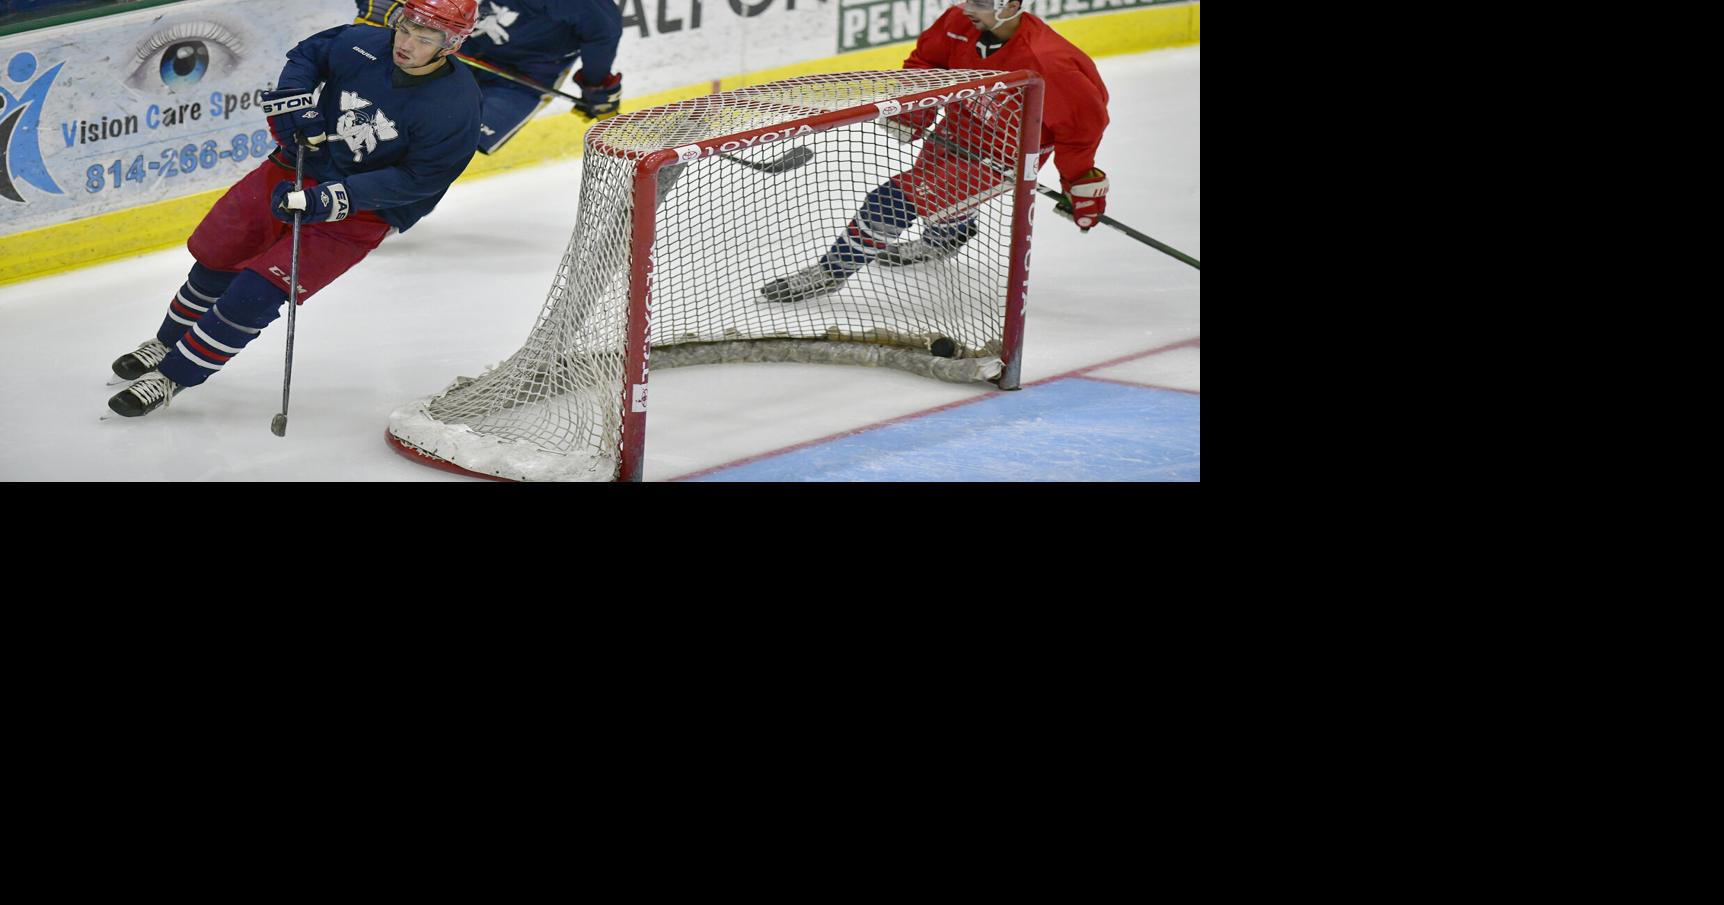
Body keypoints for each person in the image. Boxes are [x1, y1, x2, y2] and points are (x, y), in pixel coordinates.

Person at [106, 0, 483, 418]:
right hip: (295, 168)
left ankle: (173, 376)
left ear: (449, 45)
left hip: (359, 210)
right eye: (405, 27)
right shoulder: (361, 42)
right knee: (218, 257)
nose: (406, 43)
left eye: (424, 37)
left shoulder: (456, 107)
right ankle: (166, 341)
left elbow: (421, 179)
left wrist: (334, 198)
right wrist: (295, 102)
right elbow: (308, 55)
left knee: (258, 292)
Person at [760, 0, 1111, 304]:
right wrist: (917, 114)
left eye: (982, 5)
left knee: (893, 200)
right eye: (969, 1)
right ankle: (946, 239)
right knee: (937, 199)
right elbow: (925, 64)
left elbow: (1081, 128)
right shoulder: (958, 23)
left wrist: (1078, 182)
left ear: (1013, 6)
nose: (969, 10)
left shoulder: (1048, 60)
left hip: (1005, 154)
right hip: (959, 125)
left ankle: (830, 272)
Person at [355, 1, 623, 154]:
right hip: (460, 45)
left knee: (455, 143)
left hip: (527, 76)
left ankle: (394, 207)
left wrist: (597, 88)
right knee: (395, 111)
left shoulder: (594, 8)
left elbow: (602, 39)